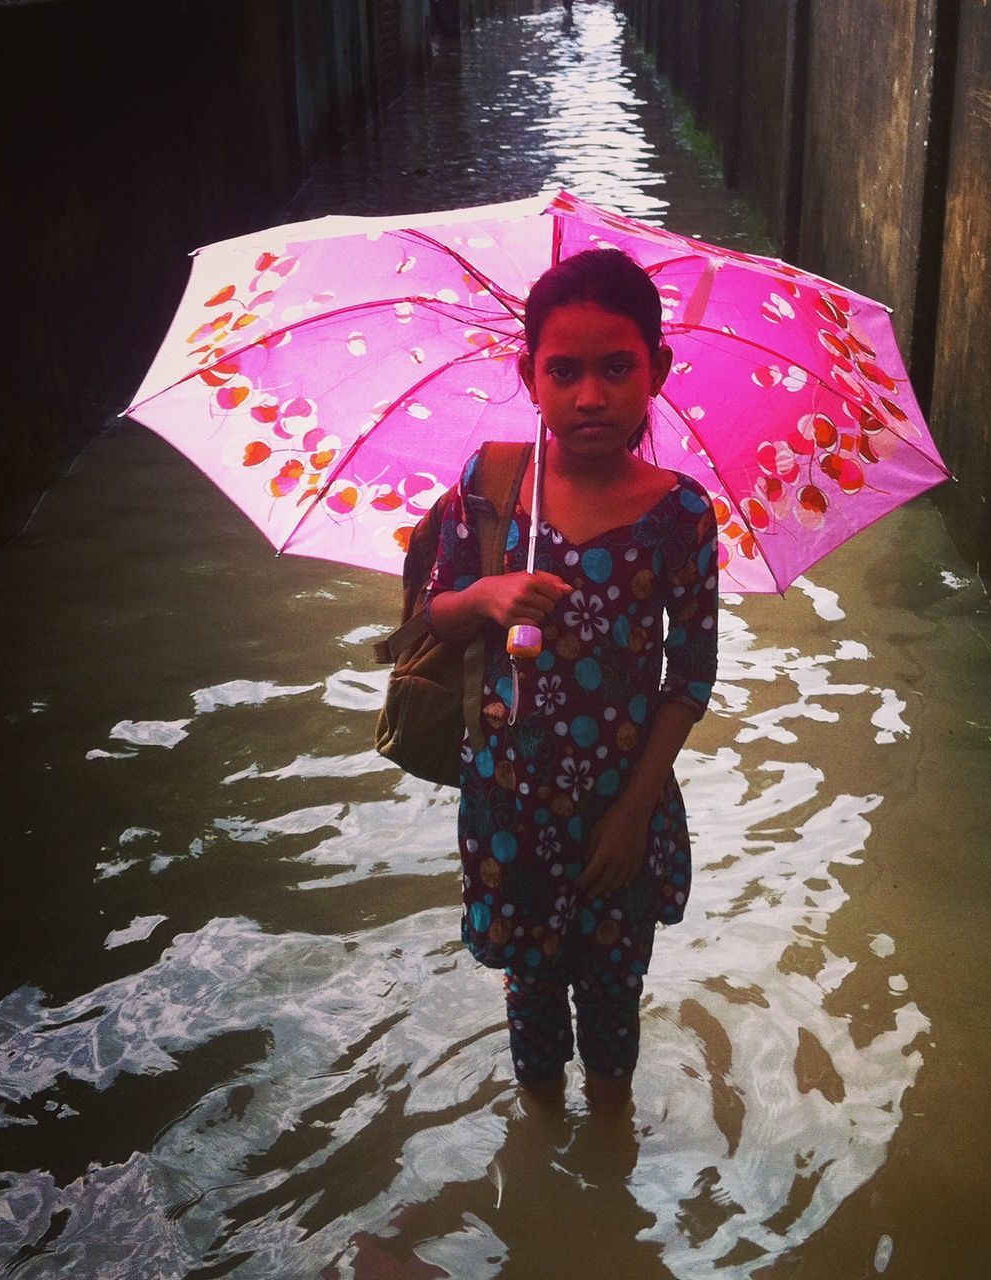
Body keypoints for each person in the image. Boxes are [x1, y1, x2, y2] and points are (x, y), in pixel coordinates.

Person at [424, 248, 718, 1106]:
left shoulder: (681, 514)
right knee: (533, 1018)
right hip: (509, 805)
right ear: (530, 375)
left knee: (614, 1019)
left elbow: (691, 674)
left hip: (622, 811)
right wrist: (488, 592)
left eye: (617, 368)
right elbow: (430, 619)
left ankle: (608, 1151)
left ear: (656, 369)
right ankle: (548, 1159)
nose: (591, 396)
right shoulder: (491, 486)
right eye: (565, 371)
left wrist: (633, 814)